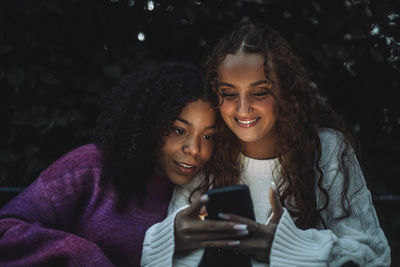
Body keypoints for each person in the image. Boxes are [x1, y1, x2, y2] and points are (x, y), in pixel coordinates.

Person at [141, 21, 391, 266]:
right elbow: (152, 261)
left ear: (285, 91)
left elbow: (374, 255)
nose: (242, 109)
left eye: (259, 92)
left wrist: (287, 247)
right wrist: (174, 237)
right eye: (228, 93)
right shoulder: (208, 151)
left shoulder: (326, 149)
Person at [0, 62, 219, 266]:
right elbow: (5, 228)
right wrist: (77, 252)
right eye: (179, 131)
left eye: (208, 136)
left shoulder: (201, 193)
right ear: (152, 125)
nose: (194, 149)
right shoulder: (91, 167)